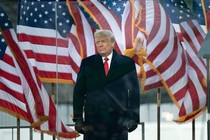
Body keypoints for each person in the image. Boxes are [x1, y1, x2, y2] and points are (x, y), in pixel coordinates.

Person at [73, 30, 140, 140]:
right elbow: (78, 92)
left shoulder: (126, 63)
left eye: (103, 41)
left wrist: (133, 118)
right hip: (93, 123)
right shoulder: (87, 63)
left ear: (112, 43)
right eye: (97, 42)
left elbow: (134, 93)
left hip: (119, 123)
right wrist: (78, 118)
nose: (100, 44)